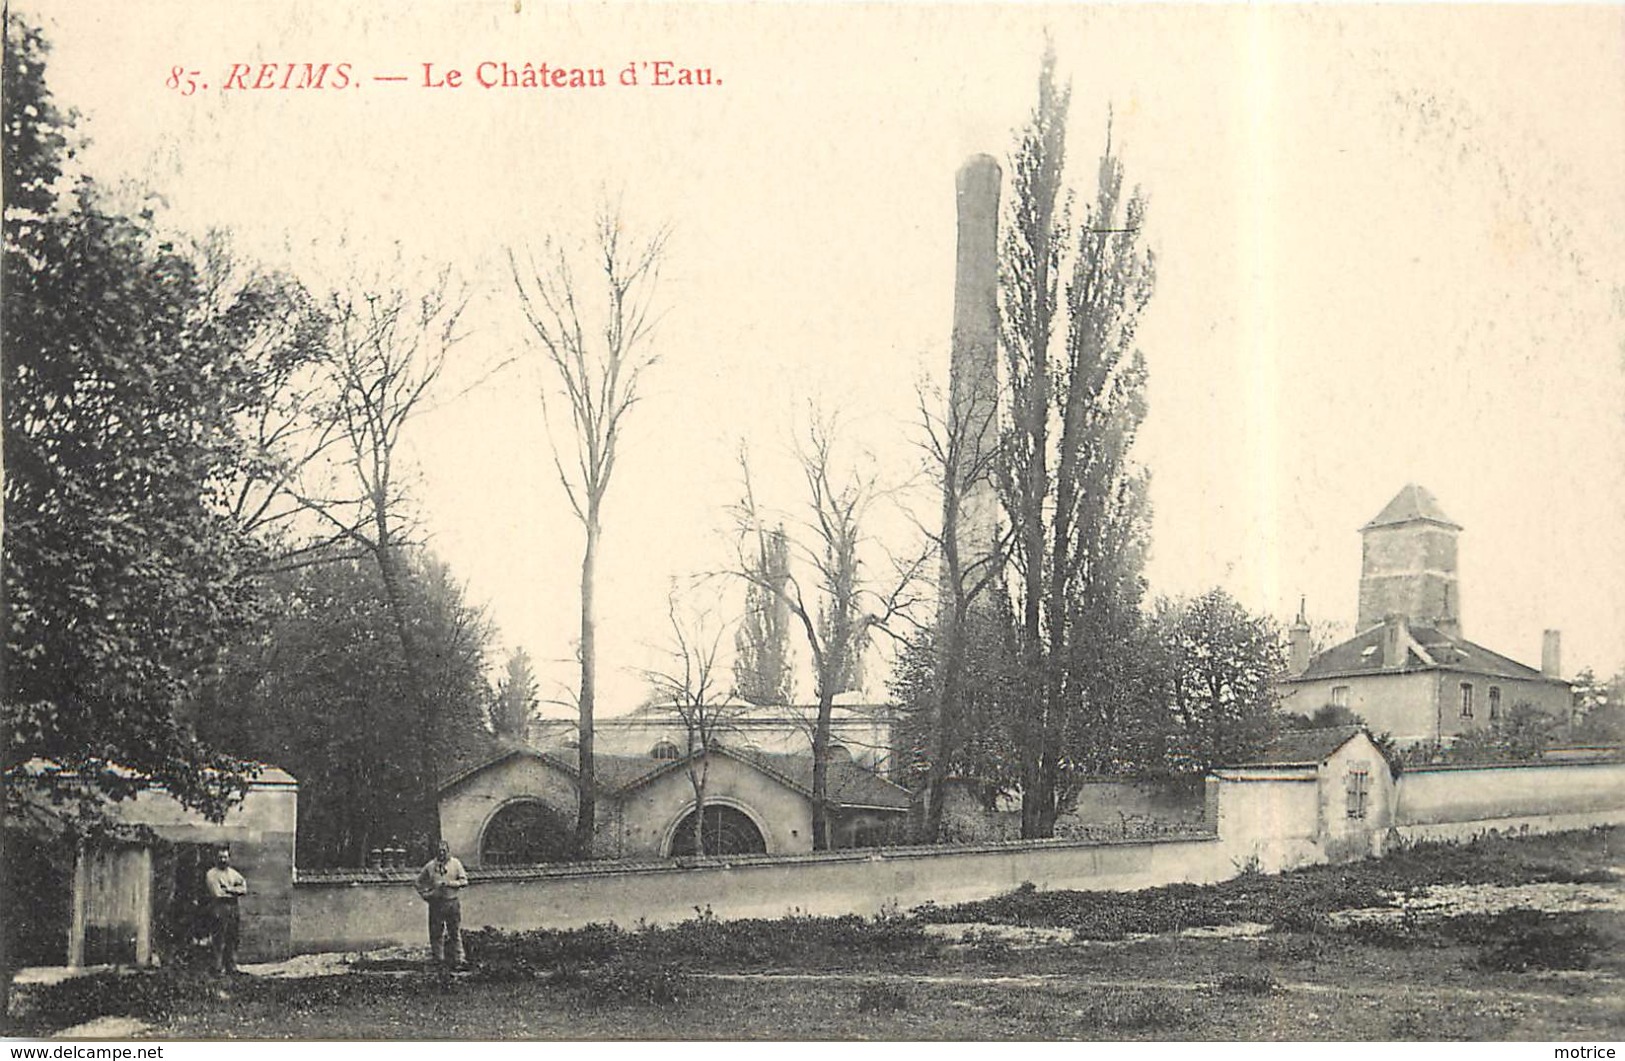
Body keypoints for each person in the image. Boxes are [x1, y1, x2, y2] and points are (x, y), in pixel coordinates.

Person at [415, 840, 468, 968]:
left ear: (448, 851)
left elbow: (464, 881)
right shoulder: (430, 866)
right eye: (439, 851)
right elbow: (418, 882)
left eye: (444, 851)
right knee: (436, 933)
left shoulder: (455, 864)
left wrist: (450, 883)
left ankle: (459, 959)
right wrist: (426, 895)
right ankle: (438, 959)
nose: (442, 853)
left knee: (454, 932)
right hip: (436, 904)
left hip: (452, 902)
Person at [203, 845, 248, 973]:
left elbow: (244, 888)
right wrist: (235, 891)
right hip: (219, 908)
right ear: (216, 858)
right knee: (219, 938)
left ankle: (232, 966)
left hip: (233, 908)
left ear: (229, 858)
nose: (223, 860)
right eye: (220, 857)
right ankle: (218, 966)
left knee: (233, 937)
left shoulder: (233, 873)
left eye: (225, 857)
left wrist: (229, 889)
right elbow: (217, 893)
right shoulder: (211, 874)